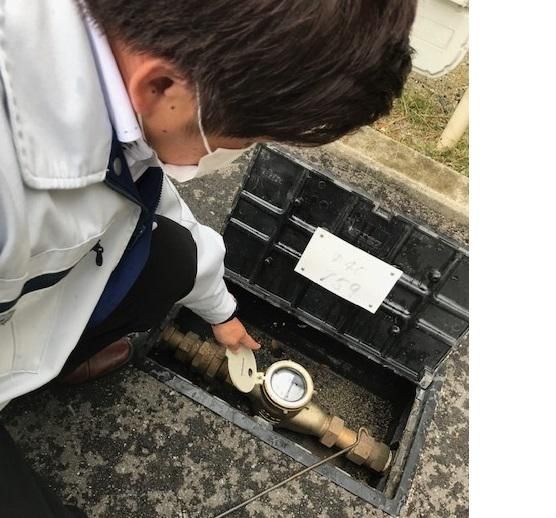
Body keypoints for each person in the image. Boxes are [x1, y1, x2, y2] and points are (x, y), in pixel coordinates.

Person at [0, 0, 416, 515]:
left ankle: (57, 360)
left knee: (174, 254)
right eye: (246, 137)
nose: (237, 150)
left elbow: (145, 195)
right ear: (160, 87)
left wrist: (221, 313)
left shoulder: (119, 76)